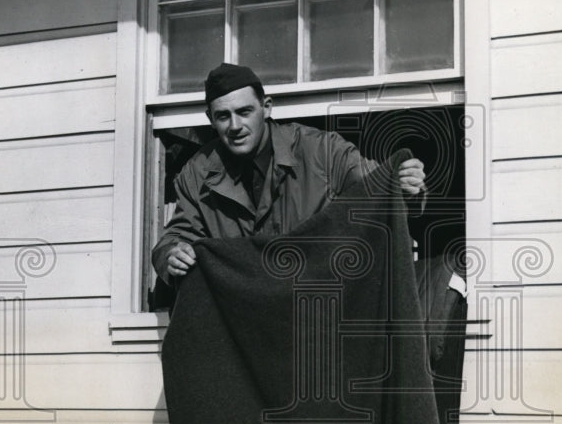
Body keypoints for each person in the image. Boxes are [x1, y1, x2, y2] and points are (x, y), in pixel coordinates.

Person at [151, 62, 426, 282]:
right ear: (211, 120)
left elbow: (379, 187)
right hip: (245, 314)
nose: (234, 126)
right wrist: (171, 256)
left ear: (266, 108)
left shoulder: (323, 151)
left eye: (244, 111)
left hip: (318, 301)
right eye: (223, 116)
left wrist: (406, 187)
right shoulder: (195, 173)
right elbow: (176, 238)